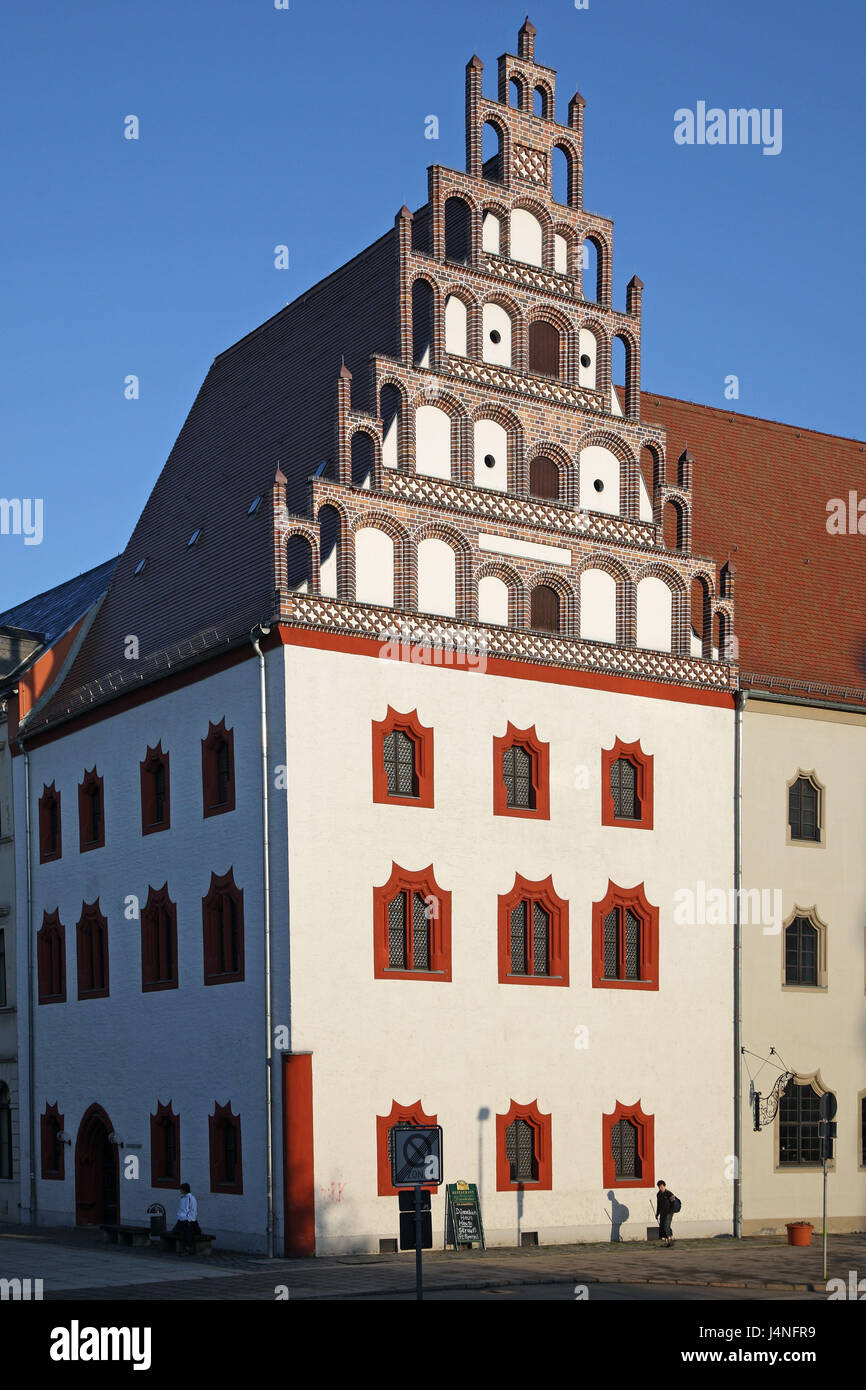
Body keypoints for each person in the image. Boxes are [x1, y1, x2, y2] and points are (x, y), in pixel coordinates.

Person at [172, 1182, 199, 1255]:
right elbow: (181, 1209)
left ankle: (187, 1249)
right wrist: (180, 1216)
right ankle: (182, 1247)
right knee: (175, 1231)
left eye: (181, 1189)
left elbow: (193, 1210)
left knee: (187, 1232)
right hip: (181, 1219)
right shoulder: (182, 1198)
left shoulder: (191, 1198)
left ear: (184, 1189)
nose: (180, 1190)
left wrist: (188, 1219)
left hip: (189, 1220)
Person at [656, 1179, 677, 1247]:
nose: (660, 1188)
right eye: (659, 1187)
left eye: (662, 1186)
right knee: (662, 1226)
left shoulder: (669, 1194)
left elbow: (674, 1203)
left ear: (665, 1186)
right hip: (662, 1213)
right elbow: (658, 1205)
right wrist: (657, 1213)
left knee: (666, 1226)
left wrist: (671, 1212)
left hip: (669, 1213)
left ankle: (670, 1240)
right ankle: (667, 1241)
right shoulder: (658, 1194)